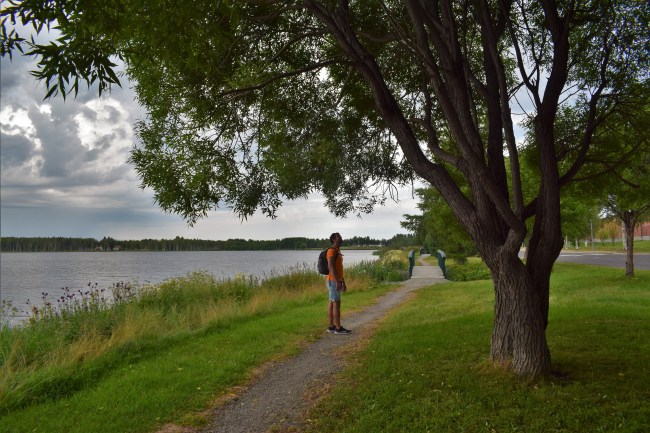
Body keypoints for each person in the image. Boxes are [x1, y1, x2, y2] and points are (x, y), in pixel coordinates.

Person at [326, 232, 351, 334]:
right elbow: (331, 267)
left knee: (332, 302)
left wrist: (342, 281)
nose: (341, 238)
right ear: (333, 240)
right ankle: (338, 328)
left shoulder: (337, 251)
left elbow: (339, 268)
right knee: (336, 303)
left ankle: (331, 326)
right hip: (333, 280)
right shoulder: (331, 251)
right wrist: (337, 281)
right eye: (338, 237)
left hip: (335, 280)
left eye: (341, 236)